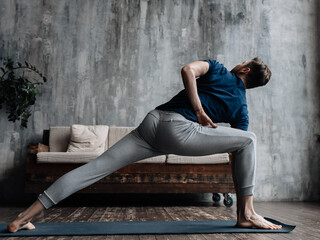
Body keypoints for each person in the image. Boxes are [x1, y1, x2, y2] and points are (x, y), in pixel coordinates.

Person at [7, 57, 282, 233]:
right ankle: (246, 214)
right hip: (178, 130)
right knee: (249, 140)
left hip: (152, 123)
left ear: (245, 68)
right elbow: (240, 151)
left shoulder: (219, 68)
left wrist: (196, 108)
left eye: (244, 62)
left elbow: (187, 69)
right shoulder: (242, 110)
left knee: (92, 169)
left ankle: (22, 218)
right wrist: (199, 112)